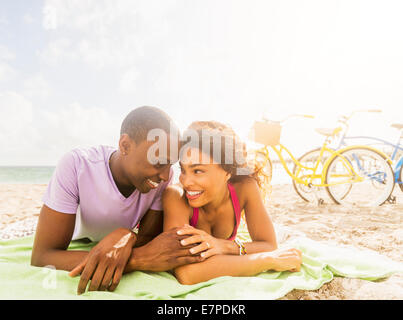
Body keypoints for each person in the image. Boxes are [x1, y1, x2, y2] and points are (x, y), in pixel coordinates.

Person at [31, 106, 203, 294]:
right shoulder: (77, 165)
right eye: (159, 162)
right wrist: (139, 259)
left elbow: (147, 238)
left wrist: (126, 235)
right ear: (125, 146)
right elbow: (43, 256)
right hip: (80, 241)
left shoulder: (161, 179)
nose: (165, 175)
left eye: (170, 164)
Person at [162, 121, 302, 285]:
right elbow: (187, 273)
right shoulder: (176, 196)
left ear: (228, 171)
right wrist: (266, 260)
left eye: (197, 171)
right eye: (183, 170)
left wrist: (224, 246)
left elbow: (269, 244)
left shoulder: (245, 188)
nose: (186, 182)